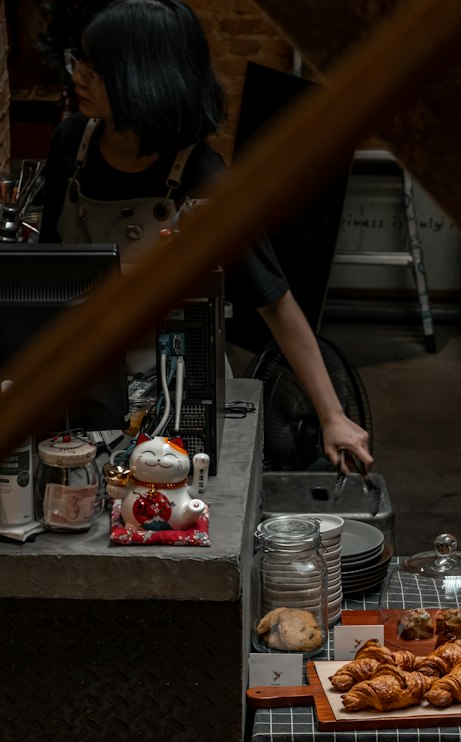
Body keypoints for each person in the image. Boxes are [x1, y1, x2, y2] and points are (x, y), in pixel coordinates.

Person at [39, 0, 372, 472]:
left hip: (178, 389)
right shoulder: (71, 142)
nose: (78, 76)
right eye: (80, 62)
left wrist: (333, 415)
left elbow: (274, 299)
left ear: (144, 78)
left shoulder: (202, 176)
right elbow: (42, 269)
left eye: (96, 68)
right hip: (81, 375)